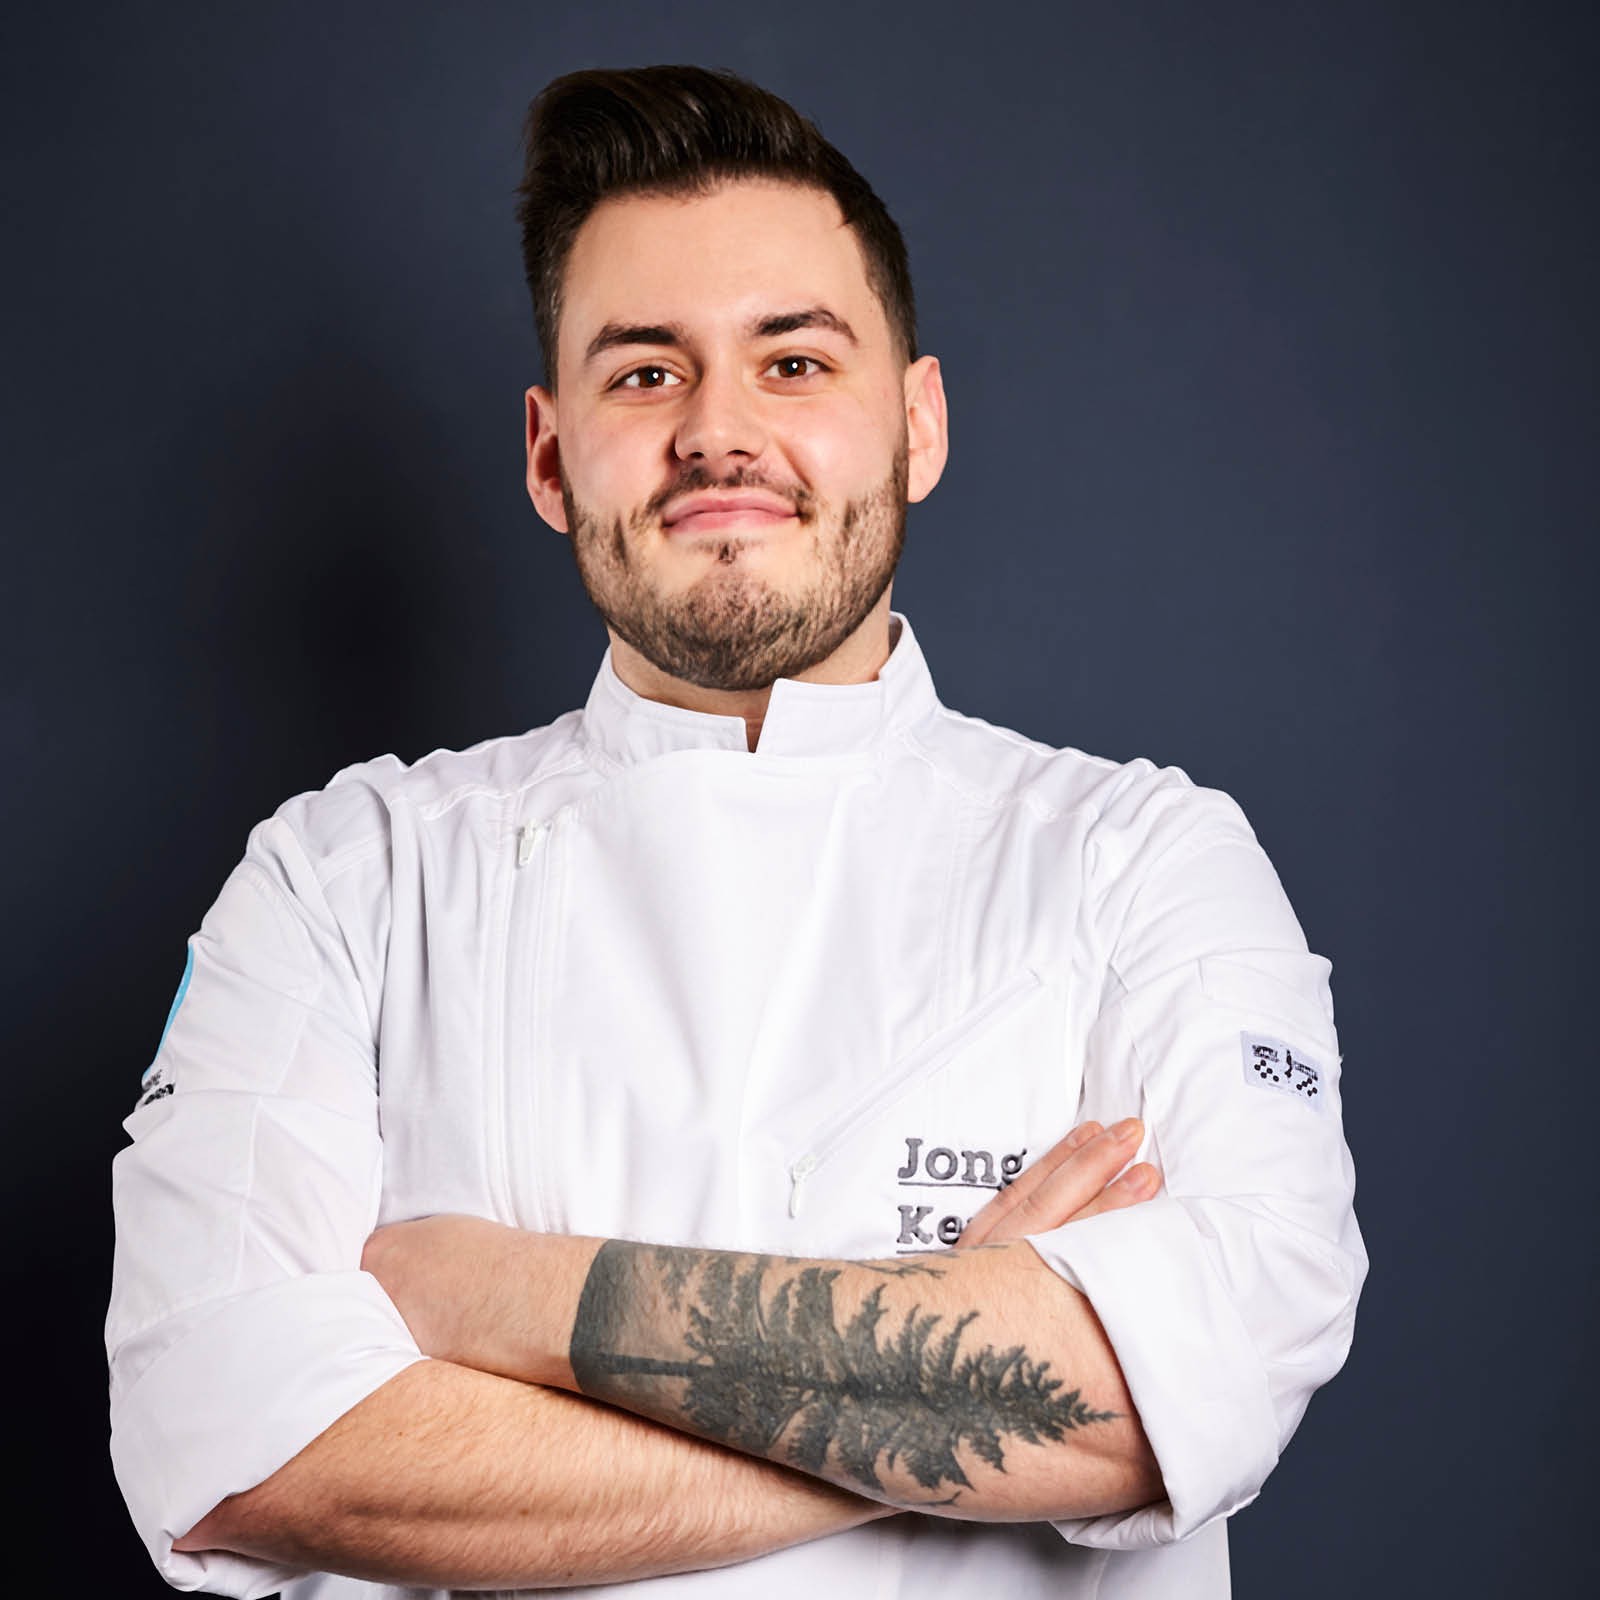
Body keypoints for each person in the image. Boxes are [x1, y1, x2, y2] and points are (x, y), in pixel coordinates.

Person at [107, 65, 1365, 1600]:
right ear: (549, 455)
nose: (718, 432)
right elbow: (234, 1447)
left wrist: (496, 1297)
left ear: (917, 425)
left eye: (794, 362)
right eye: (646, 373)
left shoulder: (1148, 863)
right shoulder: (342, 879)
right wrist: (950, 1367)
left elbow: (1194, 1379)